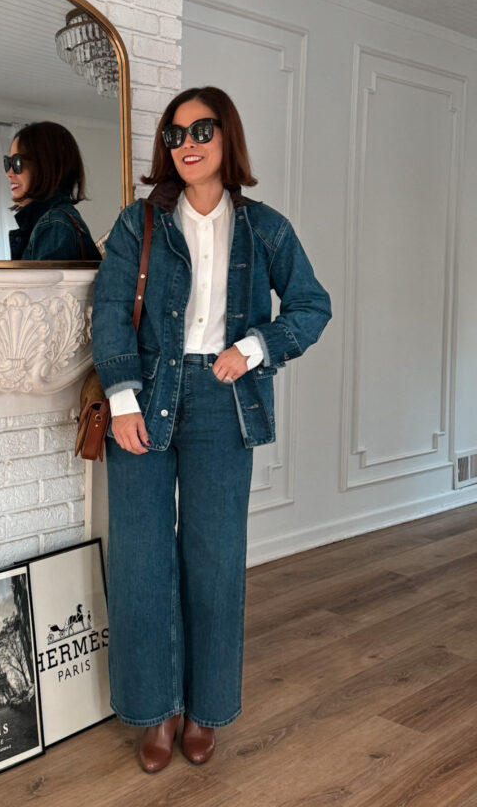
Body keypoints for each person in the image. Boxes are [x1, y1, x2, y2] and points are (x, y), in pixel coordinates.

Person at [91, 86, 330, 773]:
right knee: (141, 559)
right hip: (146, 395)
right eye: (175, 134)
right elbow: (110, 308)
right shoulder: (139, 222)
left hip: (224, 402)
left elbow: (312, 306)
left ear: (227, 138)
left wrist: (252, 348)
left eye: (201, 130)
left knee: (215, 559)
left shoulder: (265, 228)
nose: (187, 144)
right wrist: (123, 399)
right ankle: (155, 710)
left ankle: (206, 709)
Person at [4, 120, 101, 261]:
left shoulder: (53, 224)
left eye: (17, 162)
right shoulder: (55, 221)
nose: (9, 173)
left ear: (44, 165)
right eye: (8, 163)